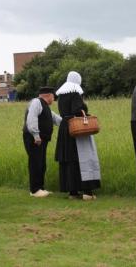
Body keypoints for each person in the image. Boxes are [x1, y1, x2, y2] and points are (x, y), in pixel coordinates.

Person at [55, 71, 101, 200]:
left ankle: (73, 192)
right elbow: (77, 110)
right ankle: (87, 192)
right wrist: (86, 113)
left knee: (69, 160)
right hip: (76, 128)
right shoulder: (75, 94)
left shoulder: (62, 95)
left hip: (65, 127)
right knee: (82, 158)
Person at [23, 86, 62, 198]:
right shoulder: (36, 102)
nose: (54, 99)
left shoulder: (46, 107)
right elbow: (32, 119)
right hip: (34, 138)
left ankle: (40, 188)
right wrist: (36, 135)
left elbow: (56, 119)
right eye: (53, 96)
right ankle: (35, 190)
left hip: (41, 139)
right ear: (49, 95)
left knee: (41, 163)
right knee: (35, 163)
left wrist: (69, 121)